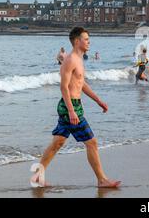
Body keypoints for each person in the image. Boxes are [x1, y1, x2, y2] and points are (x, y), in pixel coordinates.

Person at [31, 27, 120, 188]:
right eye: (86, 39)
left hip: (73, 105)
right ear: (77, 41)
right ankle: (101, 180)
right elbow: (64, 87)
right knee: (91, 142)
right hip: (69, 106)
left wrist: (98, 100)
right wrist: (71, 110)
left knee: (57, 142)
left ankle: (38, 175)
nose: (89, 42)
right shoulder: (71, 59)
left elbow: (81, 83)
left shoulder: (79, 59)